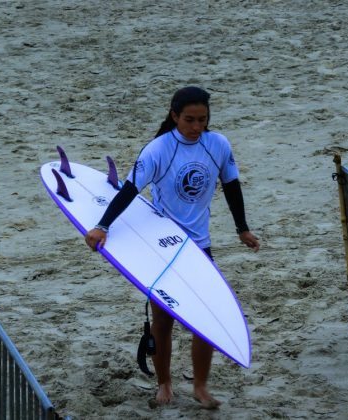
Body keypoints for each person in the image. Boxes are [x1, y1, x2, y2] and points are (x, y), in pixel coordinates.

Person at [85, 86, 260, 409]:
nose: (196, 128)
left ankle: (201, 387)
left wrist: (242, 229)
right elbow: (129, 189)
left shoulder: (217, 145)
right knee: (163, 321)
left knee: (204, 320)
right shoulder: (157, 150)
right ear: (174, 115)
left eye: (202, 120)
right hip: (161, 247)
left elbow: (232, 186)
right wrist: (102, 225)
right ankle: (164, 382)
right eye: (189, 120)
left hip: (199, 248)